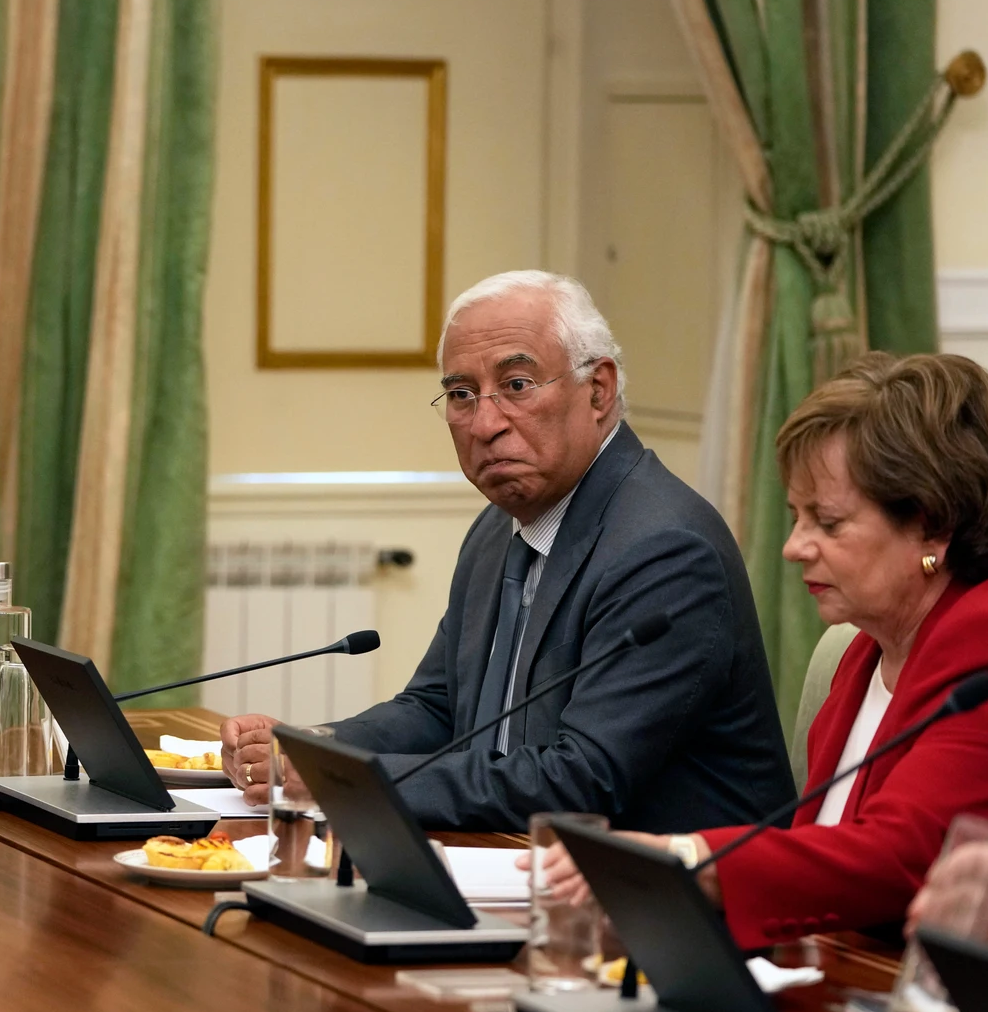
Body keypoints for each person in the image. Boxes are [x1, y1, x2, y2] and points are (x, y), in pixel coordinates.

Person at [221, 271, 794, 832]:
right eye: (461, 395)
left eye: (516, 385)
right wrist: (316, 749)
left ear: (599, 390)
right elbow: (438, 709)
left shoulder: (665, 551)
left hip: (660, 909)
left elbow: (582, 780)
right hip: (511, 858)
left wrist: (346, 779)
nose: (485, 422)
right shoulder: (499, 529)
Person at [529, 353, 988, 948]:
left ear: (931, 526)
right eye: (796, 517)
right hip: (827, 977)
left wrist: (689, 856)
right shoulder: (864, 652)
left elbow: (897, 856)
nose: (794, 547)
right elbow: (819, 848)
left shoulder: (979, 640)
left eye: (827, 522)